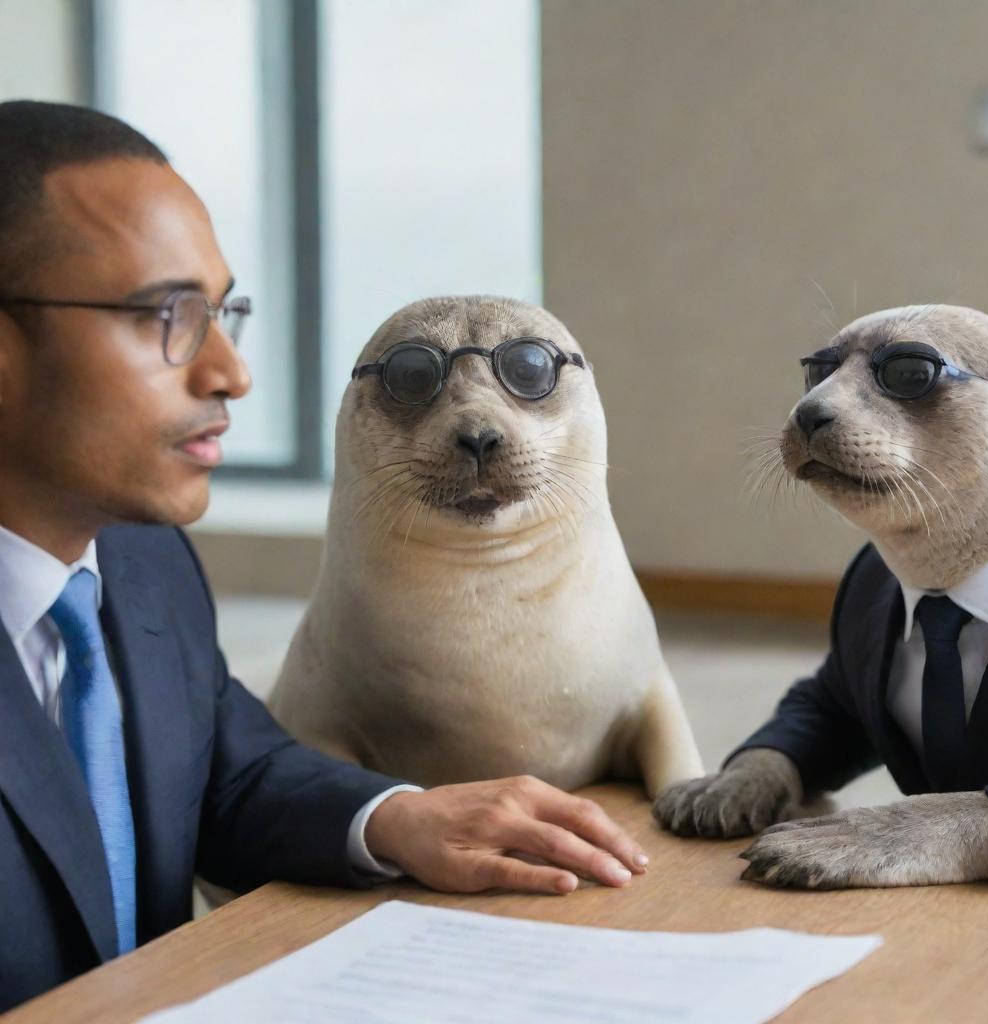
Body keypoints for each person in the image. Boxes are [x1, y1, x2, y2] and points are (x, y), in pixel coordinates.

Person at [0, 100, 648, 1011]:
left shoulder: (142, 562)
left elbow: (229, 773)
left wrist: (399, 817)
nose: (231, 371)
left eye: (226, 314)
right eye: (168, 314)